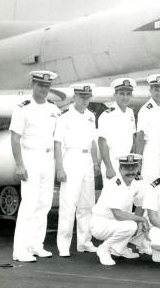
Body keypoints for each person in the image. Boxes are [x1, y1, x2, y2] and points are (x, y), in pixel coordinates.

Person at [10, 70, 61, 262]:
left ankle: (36, 245)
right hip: (30, 158)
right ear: (33, 85)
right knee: (29, 205)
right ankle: (20, 250)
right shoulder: (23, 108)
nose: (44, 89)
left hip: (49, 160)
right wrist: (19, 164)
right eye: (41, 85)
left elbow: (57, 137)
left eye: (47, 86)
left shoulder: (53, 109)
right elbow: (15, 138)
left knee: (44, 204)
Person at [54, 83, 100, 257]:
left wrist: (95, 163)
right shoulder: (64, 117)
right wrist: (59, 167)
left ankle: (84, 242)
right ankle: (63, 245)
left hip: (87, 159)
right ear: (75, 97)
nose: (85, 100)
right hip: (71, 160)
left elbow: (93, 141)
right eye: (82, 97)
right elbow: (57, 143)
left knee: (87, 205)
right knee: (68, 205)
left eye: (88, 97)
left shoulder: (90, 116)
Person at [90, 154, 149, 266]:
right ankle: (104, 248)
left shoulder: (138, 182)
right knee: (131, 226)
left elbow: (140, 205)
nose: (130, 171)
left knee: (146, 220)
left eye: (133, 168)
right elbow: (118, 215)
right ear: (120, 169)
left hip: (118, 222)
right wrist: (138, 220)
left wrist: (139, 221)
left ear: (138, 168)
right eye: (127, 168)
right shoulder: (113, 184)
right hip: (101, 223)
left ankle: (120, 248)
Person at [98, 78, 137, 186]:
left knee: (126, 199)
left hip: (127, 161)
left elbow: (132, 138)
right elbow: (102, 142)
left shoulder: (130, 112)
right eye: (122, 94)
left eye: (128, 94)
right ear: (115, 95)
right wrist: (109, 167)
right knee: (112, 198)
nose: (125, 97)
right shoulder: (107, 115)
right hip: (112, 161)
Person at [135, 74, 160, 183]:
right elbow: (140, 136)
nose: (159, 93)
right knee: (150, 181)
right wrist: (138, 159)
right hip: (150, 149)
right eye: (156, 90)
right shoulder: (145, 109)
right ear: (150, 90)